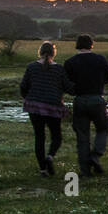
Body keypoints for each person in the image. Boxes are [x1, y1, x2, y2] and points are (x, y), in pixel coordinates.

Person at [19, 42, 73, 176]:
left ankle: (43, 169)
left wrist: (29, 98)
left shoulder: (31, 67)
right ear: (54, 53)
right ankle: (50, 157)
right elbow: (68, 88)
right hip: (53, 106)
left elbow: (23, 86)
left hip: (34, 106)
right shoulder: (59, 69)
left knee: (39, 137)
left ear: (40, 52)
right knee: (57, 136)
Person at [63, 34, 108, 176]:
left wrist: (74, 91)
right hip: (97, 99)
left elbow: (66, 83)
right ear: (91, 44)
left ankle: (85, 170)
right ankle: (96, 154)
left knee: (82, 135)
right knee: (103, 127)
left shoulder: (70, 62)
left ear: (77, 45)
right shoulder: (100, 59)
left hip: (79, 100)